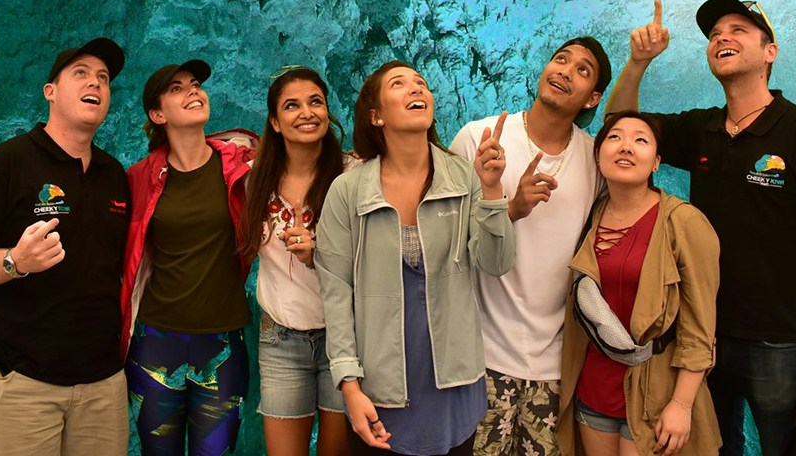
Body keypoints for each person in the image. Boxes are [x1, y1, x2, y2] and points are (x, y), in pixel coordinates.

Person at [606, 0, 796, 456]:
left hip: (780, 342)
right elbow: (619, 128)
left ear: (771, 52)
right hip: (703, 339)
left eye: (738, 30)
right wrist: (637, 63)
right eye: (714, 34)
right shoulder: (701, 129)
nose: (722, 37)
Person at [316, 60, 515, 456]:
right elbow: (336, 295)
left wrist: (492, 191)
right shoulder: (347, 190)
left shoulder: (464, 177)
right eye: (399, 84)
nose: (416, 89)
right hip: (379, 387)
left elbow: (496, 263)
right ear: (375, 115)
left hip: (454, 383)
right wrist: (349, 386)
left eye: (421, 83)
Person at [0, 37, 131, 456]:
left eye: (103, 78)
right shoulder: (6, 164)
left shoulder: (114, 175)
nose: (96, 84)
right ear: (50, 91)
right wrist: (15, 261)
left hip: (101, 386)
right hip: (21, 384)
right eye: (80, 73)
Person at [449, 38, 613, 456]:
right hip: (480, 358)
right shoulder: (477, 139)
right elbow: (446, 247)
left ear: (593, 97)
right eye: (560, 60)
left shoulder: (595, 160)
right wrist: (510, 208)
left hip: (554, 366)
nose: (564, 71)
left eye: (582, 69)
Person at [557, 111, 721, 456]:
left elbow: (700, 328)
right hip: (594, 390)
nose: (626, 147)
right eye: (614, 138)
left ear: (657, 162)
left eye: (641, 140)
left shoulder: (684, 222)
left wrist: (682, 404)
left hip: (657, 396)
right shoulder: (591, 215)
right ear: (598, 156)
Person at [121, 59, 259, 455]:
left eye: (195, 84)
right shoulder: (139, 177)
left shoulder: (241, 166)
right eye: (177, 88)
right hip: (155, 343)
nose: (193, 91)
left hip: (223, 344)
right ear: (157, 113)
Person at [239, 66, 354, 456]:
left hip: (344, 338)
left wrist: (317, 255)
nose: (306, 112)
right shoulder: (253, 181)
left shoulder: (353, 175)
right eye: (292, 106)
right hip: (281, 337)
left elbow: (373, 262)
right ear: (274, 121)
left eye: (315, 102)